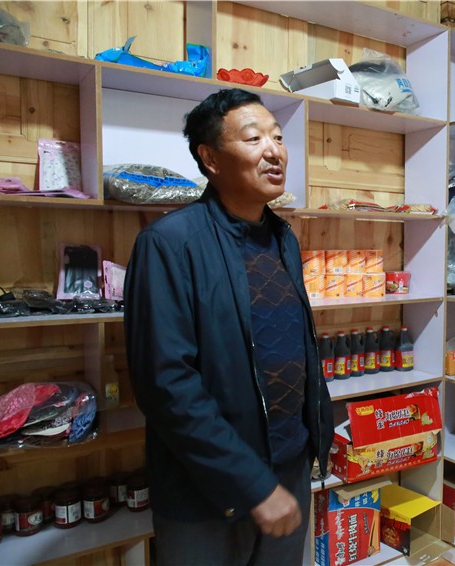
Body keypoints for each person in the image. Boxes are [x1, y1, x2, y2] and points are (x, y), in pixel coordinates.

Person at [124, 88, 333, 565]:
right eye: (254, 138)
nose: (274, 151)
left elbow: (297, 349)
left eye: (278, 138)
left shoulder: (283, 238)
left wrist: (316, 437)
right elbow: (165, 385)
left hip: (288, 471)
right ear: (211, 158)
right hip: (209, 490)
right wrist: (253, 485)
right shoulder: (169, 243)